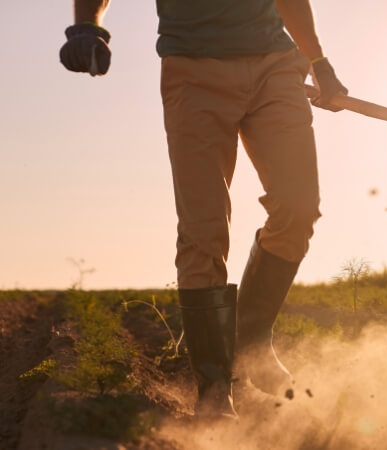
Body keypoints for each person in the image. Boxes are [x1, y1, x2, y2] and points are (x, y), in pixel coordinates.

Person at [59, 0, 347, 419]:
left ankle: (250, 343)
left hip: (275, 64)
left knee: (299, 208)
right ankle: (215, 391)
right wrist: (88, 25)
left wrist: (319, 61)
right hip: (192, 72)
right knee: (203, 231)